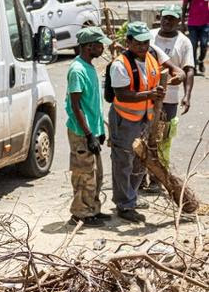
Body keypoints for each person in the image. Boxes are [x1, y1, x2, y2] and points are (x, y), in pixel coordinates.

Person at [108, 22, 182, 223]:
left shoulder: (152, 56)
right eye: (138, 43)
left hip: (145, 119)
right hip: (125, 120)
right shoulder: (120, 65)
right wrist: (150, 94)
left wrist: (178, 75)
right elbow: (122, 95)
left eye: (146, 42)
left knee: (141, 160)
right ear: (128, 42)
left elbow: (176, 70)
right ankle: (124, 205)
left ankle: (131, 197)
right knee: (124, 161)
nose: (143, 47)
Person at [65, 27, 111, 227]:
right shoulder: (77, 70)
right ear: (89, 46)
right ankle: (80, 213)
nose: (103, 48)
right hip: (82, 132)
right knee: (84, 174)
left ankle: (93, 209)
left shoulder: (89, 67)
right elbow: (76, 106)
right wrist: (89, 133)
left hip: (92, 131)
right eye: (100, 45)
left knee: (96, 174)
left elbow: (93, 104)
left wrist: (99, 131)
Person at [152, 5, 196, 169]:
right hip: (146, 95)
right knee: (144, 134)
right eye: (165, 17)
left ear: (179, 21)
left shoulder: (184, 42)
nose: (167, 21)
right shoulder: (149, 37)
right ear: (160, 18)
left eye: (172, 18)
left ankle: (159, 174)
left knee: (164, 136)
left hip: (169, 98)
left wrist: (187, 95)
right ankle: (141, 176)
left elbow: (189, 69)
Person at [182, 0, 209, 75]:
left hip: (205, 24)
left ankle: (201, 60)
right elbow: (184, 8)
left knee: (204, 45)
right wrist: (182, 23)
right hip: (192, 24)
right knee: (192, 46)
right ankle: (193, 67)